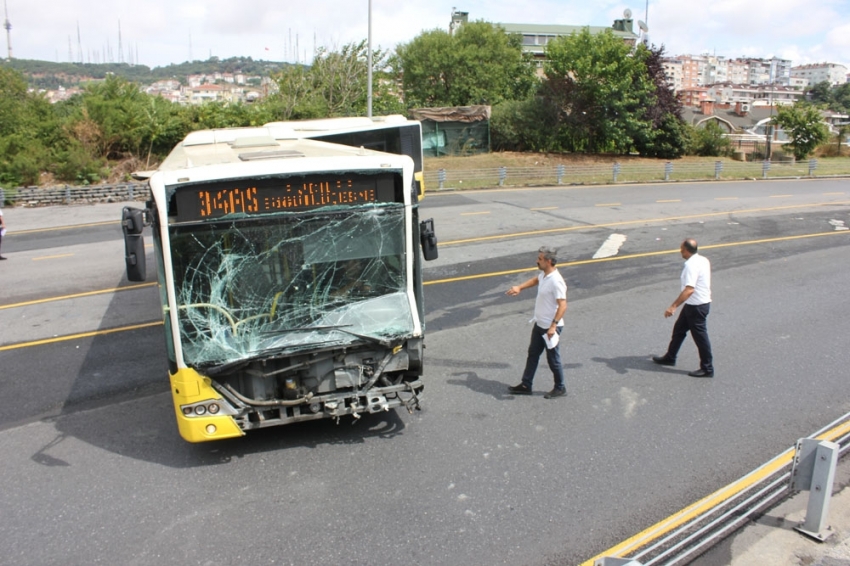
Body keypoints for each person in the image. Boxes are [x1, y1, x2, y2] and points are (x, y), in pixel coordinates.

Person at [505, 246, 568, 399]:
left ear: (548, 261)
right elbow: (535, 280)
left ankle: (560, 387)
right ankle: (526, 385)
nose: (537, 261)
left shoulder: (556, 281)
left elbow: (563, 305)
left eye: (540, 259)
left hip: (549, 328)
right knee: (533, 354)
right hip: (539, 324)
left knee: (553, 359)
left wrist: (553, 326)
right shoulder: (544, 275)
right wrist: (520, 287)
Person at [652, 238, 714, 377]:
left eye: (681, 248)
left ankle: (707, 368)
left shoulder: (690, 265)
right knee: (679, 330)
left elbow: (689, 289)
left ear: (686, 250)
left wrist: (673, 307)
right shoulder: (703, 260)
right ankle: (670, 357)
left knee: (700, 338)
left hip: (697, 307)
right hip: (695, 304)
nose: (680, 251)